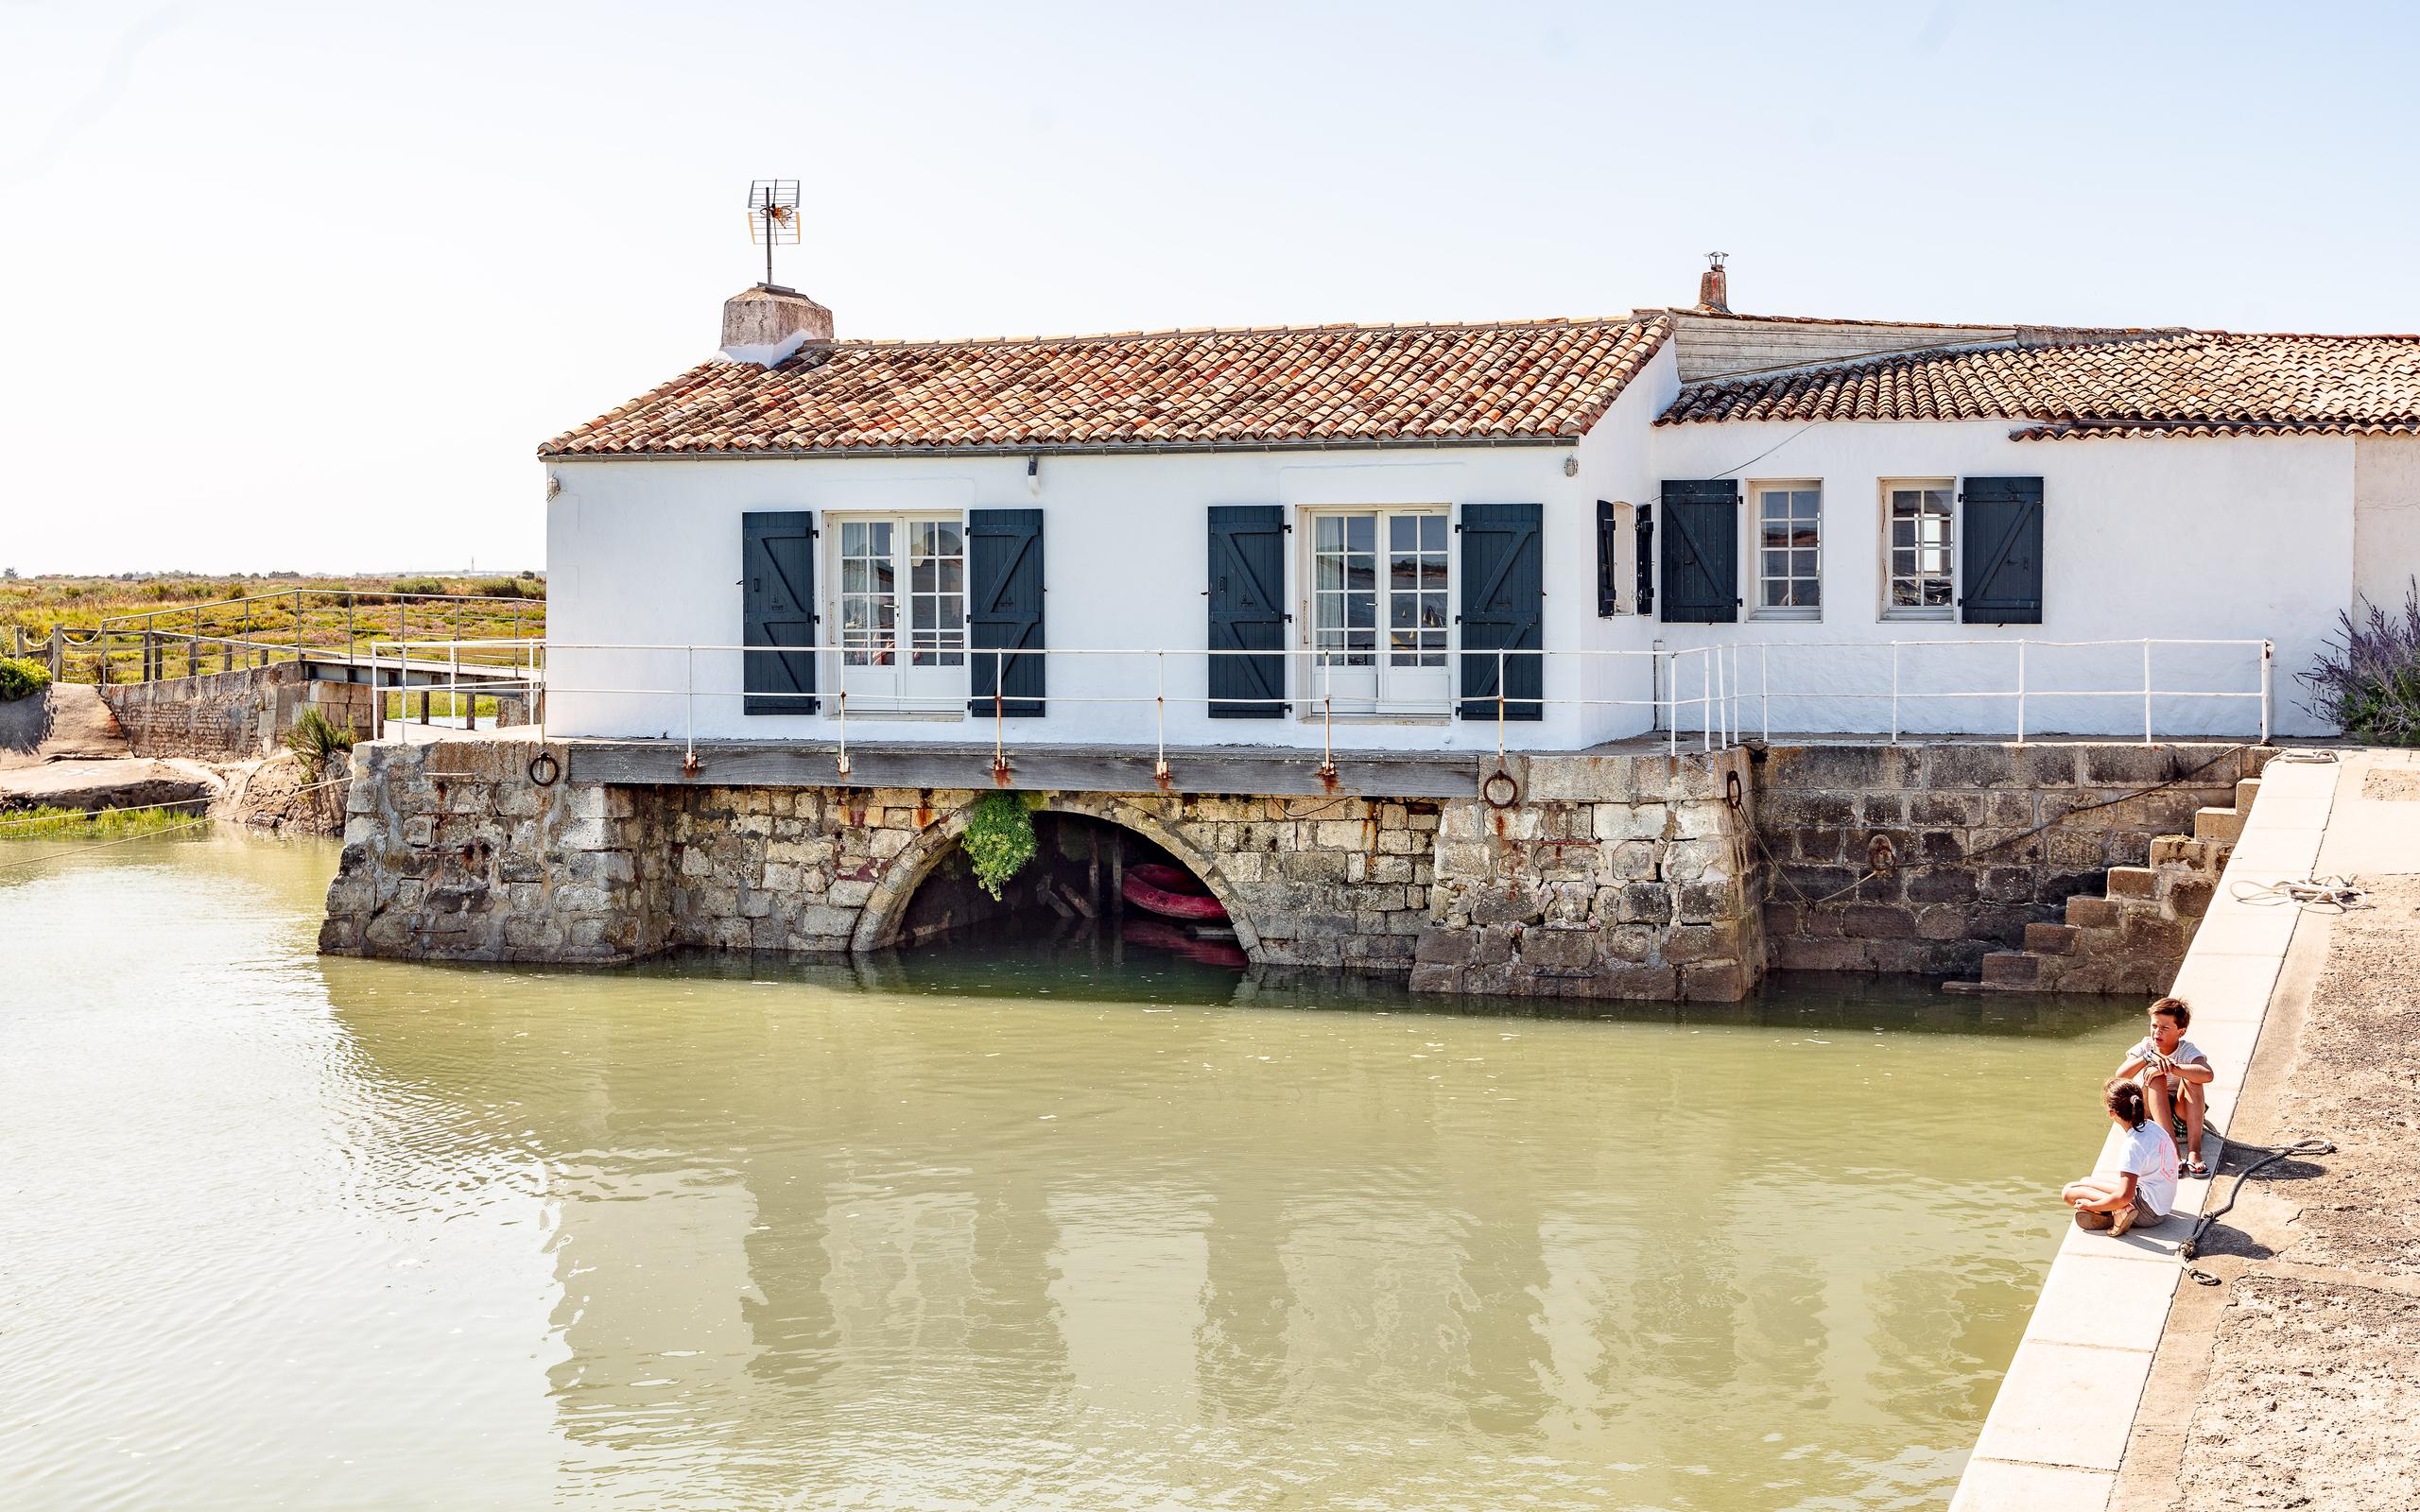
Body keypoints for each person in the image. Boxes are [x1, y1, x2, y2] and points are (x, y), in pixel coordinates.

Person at [2115, 996, 2217, 1177]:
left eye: (2165, 1028)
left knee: (2193, 1079)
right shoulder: (2146, 1046)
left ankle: (2194, 1152)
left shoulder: (2186, 1050)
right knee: (2155, 1075)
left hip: (2180, 1117)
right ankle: (2172, 1152)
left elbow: (2207, 1074)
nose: (2157, 1032)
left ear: (2181, 1032)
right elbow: (2120, 1076)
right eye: (2154, 1026)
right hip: (2151, 1118)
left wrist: (2172, 1068)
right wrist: (2147, 1058)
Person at [2064, 1077, 2179, 1236]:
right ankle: (2119, 1210)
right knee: (2085, 1181)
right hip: (2159, 1202)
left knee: (2069, 1193)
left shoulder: (2133, 1145)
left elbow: (2124, 1196)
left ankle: (2121, 1212)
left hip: (2150, 1213)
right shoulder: (2153, 1127)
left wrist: (2091, 1205)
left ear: (2112, 1113)